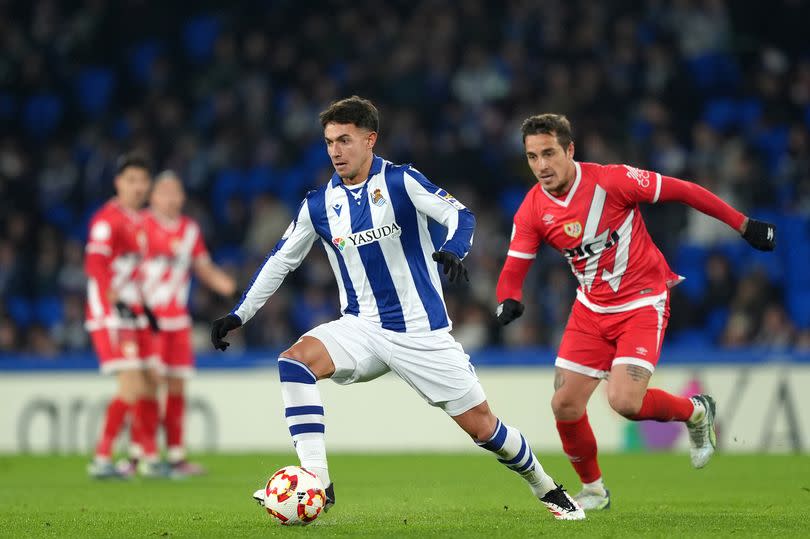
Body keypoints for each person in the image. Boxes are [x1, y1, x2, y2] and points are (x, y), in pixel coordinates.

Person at [211, 96, 585, 520]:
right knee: (294, 362)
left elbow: (460, 216)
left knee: (484, 428)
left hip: (422, 333)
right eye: (330, 141)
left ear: (370, 140)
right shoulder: (318, 205)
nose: (335, 150)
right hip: (361, 328)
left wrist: (454, 250)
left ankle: (547, 488)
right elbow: (280, 260)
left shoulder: (401, 182)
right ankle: (317, 482)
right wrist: (240, 314)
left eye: (345, 140)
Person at [495, 114, 776, 510]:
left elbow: (684, 191)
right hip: (591, 308)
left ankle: (696, 411)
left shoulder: (612, 181)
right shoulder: (533, 208)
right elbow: (514, 265)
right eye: (532, 157)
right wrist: (508, 297)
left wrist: (743, 225)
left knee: (624, 402)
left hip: (642, 300)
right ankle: (593, 491)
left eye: (549, 153)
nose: (541, 165)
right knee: (564, 404)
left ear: (570, 150)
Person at [141, 171, 237, 476]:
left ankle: (176, 456)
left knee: (177, 388)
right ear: (153, 196)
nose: (171, 197)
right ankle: (147, 455)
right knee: (150, 386)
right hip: (147, 320)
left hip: (178, 321)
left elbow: (203, 267)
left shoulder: (189, 229)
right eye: (165, 191)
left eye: (176, 191)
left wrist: (233, 290)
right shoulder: (139, 226)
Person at [84, 152, 164, 478]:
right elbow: (95, 264)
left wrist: (144, 306)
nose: (138, 186)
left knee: (148, 386)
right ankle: (102, 459)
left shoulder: (142, 221)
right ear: (118, 183)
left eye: (143, 180)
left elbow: (134, 272)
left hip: (132, 313)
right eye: (131, 180)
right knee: (131, 386)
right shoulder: (107, 220)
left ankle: (140, 458)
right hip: (110, 315)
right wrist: (111, 297)